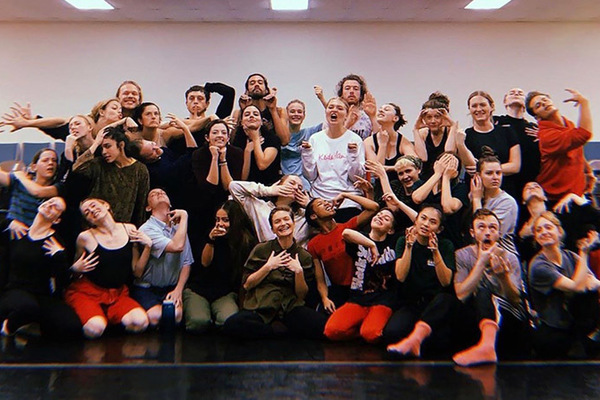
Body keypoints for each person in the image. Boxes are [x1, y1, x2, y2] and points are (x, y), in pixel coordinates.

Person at [223, 206, 327, 339]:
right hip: (261, 307)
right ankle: (274, 332)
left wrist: (299, 272)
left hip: (289, 308)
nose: (283, 224)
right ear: (272, 229)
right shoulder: (261, 249)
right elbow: (247, 285)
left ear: (293, 223)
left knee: (322, 326)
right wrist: (268, 266)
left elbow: (302, 295)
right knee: (232, 325)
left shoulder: (304, 256)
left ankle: (277, 333)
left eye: (286, 219)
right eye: (277, 222)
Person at [64, 198, 151, 339]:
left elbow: (137, 272)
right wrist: (75, 269)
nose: (92, 211)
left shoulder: (129, 229)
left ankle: (108, 318)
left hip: (117, 294)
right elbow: (76, 275)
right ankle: (96, 319)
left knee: (141, 322)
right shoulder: (85, 237)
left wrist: (147, 247)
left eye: (93, 205)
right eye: (87, 212)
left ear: (106, 205)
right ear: (88, 220)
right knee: (95, 329)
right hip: (88, 292)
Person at [452, 209, 526, 366]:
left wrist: (503, 277)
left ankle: (487, 347)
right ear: (472, 233)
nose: (487, 232)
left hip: (507, 316)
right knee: (472, 298)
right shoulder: (462, 255)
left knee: (485, 293)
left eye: (492, 228)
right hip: (476, 314)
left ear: (498, 233)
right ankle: (484, 347)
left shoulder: (510, 257)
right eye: (481, 227)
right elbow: (461, 294)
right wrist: (481, 263)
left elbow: (515, 300)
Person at [0, 197, 81, 338]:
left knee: (71, 325)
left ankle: (30, 325)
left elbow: (63, 281)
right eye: (49, 201)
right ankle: (7, 327)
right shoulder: (18, 230)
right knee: (27, 307)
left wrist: (59, 256)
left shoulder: (55, 242)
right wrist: (8, 222)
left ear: (57, 220)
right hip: (14, 290)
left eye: (56, 207)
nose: (50, 205)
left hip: (41, 295)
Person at [385, 205, 456, 354]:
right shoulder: (403, 241)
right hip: (411, 303)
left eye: (432, 222)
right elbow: (400, 276)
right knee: (392, 333)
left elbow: (445, 281)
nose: (426, 224)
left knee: (441, 344)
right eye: (423, 218)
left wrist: (435, 252)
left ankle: (417, 339)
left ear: (439, 229)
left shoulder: (445, 245)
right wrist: (409, 247)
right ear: (416, 221)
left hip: (434, 304)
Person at [528, 211, 600, 358]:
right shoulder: (538, 266)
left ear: (559, 232)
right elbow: (577, 286)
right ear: (535, 237)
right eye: (539, 230)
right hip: (553, 331)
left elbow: (593, 283)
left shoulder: (570, 256)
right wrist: (584, 253)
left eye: (548, 227)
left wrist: (592, 283)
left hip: (575, 326)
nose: (544, 232)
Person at [324, 208, 399, 343]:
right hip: (358, 298)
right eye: (378, 215)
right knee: (331, 331)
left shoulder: (394, 242)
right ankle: (362, 329)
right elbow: (346, 233)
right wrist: (371, 245)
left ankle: (368, 328)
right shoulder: (360, 238)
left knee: (371, 334)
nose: (380, 217)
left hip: (383, 299)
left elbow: (417, 222)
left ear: (390, 230)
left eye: (386, 218)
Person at [184, 200, 257, 333]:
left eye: (225, 220)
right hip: (199, 289)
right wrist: (211, 241)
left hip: (224, 292)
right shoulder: (210, 235)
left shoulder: (245, 242)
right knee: (198, 322)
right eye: (217, 219)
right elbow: (205, 263)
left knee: (228, 321)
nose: (220, 224)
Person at [306, 192, 379, 311]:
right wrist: (325, 298)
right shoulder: (313, 244)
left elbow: (374, 207)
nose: (327, 204)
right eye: (320, 204)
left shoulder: (347, 227)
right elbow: (320, 278)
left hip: (362, 285)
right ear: (313, 216)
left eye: (326, 201)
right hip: (339, 291)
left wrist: (346, 195)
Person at [132, 189, 193, 327]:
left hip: (171, 287)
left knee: (176, 316)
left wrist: (178, 289)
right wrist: (185, 215)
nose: (160, 193)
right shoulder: (147, 229)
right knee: (156, 317)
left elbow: (186, 262)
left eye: (163, 193)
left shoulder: (179, 227)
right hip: (148, 287)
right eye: (153, 194)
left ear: (170, 204)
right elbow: (177, 246)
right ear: (148, 208)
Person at [301, 97, 366, 222]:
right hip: (320, 199)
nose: (334, 110)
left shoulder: (355, 139)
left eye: (340, 108)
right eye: (330, 107)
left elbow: (356, 177)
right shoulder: (315, 138)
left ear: (346, 115)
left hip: (347, 200)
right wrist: (307, 154)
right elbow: (310, 176)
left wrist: (353, 155)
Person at [72, 125, 149, 227]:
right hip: (95, 226)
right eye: (102, 148)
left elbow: (141, 206)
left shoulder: (140, 169)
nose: (104, 152)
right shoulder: (99, 164)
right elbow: (76, 168)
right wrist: (95, 144)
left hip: (122, 228)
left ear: (121, 145)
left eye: (108, 146)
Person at [525, 89, 593, 203]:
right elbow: (584, 134)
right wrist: (584, 103)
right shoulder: (546, 136)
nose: (544, 104)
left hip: (577, 193)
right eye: (538, 105)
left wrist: (588, 171)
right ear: (537, 117)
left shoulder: (568, 123)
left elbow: (576, 149)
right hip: (557, 198)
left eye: (545, 100)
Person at [464, 91, 521, 199]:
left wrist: (482, 170)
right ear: (469, 109)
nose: (478, 109)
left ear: (492, 107)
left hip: (505, 192)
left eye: (482, 105)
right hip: (477, 193)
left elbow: (515, 166)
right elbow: (468, 166)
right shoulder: (467, 135)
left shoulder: (507, 132)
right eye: (474, 106)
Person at [229, 175, 311, 248]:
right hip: (268, 256)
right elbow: (234, 186)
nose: (296, 188)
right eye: (291, 183)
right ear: (279, 184)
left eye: (300, 188)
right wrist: (268, 190)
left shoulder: (304, 214)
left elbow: (319, 222)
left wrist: (309, 205)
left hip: (300, 258)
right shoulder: (260, 207)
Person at [495, 88, 541, 205]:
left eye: (520, 94)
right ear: (505, 102)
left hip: (527, 183)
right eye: (512, 93)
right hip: (503, 181)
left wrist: (543, 136)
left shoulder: (534, 128)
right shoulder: (496, 122)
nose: (516, 94)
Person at [470, 147, 519, 256]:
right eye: (489, 173)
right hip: (477, 253)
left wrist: (476, 199)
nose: (495, 177)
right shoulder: (475, 194)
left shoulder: (507, 202)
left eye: (498, 173)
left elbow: (484, 234)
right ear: (478, 176)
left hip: (502, 256)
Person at [363, 101, 417, 199]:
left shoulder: (403, 141)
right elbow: (376, 172)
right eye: (380, 109)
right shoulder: (368, 142)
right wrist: (383, 145)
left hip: (402, 186)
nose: (381, 110)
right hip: (380, 188)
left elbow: (415, 163)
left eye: (386, 109)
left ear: (395, 118)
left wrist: (388, 168)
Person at [167, 82, 235, 155]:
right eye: (191, 98)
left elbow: (229, 92)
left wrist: (207, 86)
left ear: (207, 104)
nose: (195, 102)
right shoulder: (178, 124)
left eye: (200, 98)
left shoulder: (215, 122)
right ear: (186, 103)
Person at [413, 92, 460, 181]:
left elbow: (449, 152)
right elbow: (422, 158)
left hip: (447, 179)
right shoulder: (423, 133)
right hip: (426, 179)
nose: (433, 121)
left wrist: (453, 126)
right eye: (429, 117)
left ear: (444, 117)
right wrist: (415, 129)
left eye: (437, 117)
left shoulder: (451, 131)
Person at [231, 104, 282, 185]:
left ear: (261, 121)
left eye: (255, 114)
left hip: (270, 185)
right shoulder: (237, 141)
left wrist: (255, 139)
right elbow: (242, 178)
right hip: (247, 186)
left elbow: (262, 165)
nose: (251, 116)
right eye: (247, 114)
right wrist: (247, 151)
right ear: (241, 122)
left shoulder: (272, 139)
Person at [235, 73, 290, 145]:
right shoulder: (237, 113)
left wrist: (273, 110)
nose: (256, 85)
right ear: (247, 91)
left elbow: (284, 141)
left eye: (260, 82)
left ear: (267, 90)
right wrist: (244, 110)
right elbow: (233, 141)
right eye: (252, 83)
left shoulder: (280, 111)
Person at [281, 99, 323, 190]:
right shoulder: (279, 136)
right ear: (286, 115)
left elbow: (331, 122)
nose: (296, 114)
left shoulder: (309, 132)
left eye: (299, 112)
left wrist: (322, 98)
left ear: (304, 115)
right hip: (283, 182)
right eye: (292, 111)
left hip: (303, 184)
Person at [316, 74, 373, 139]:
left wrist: (373, 116)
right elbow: (330, 140)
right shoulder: (333, 117)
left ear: (361, 94)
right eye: (347, 88)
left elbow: (376, 140)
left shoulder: (367, 118)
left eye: (356, 89)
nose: (351, 91)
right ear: (341, 94)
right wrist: (347, 124)